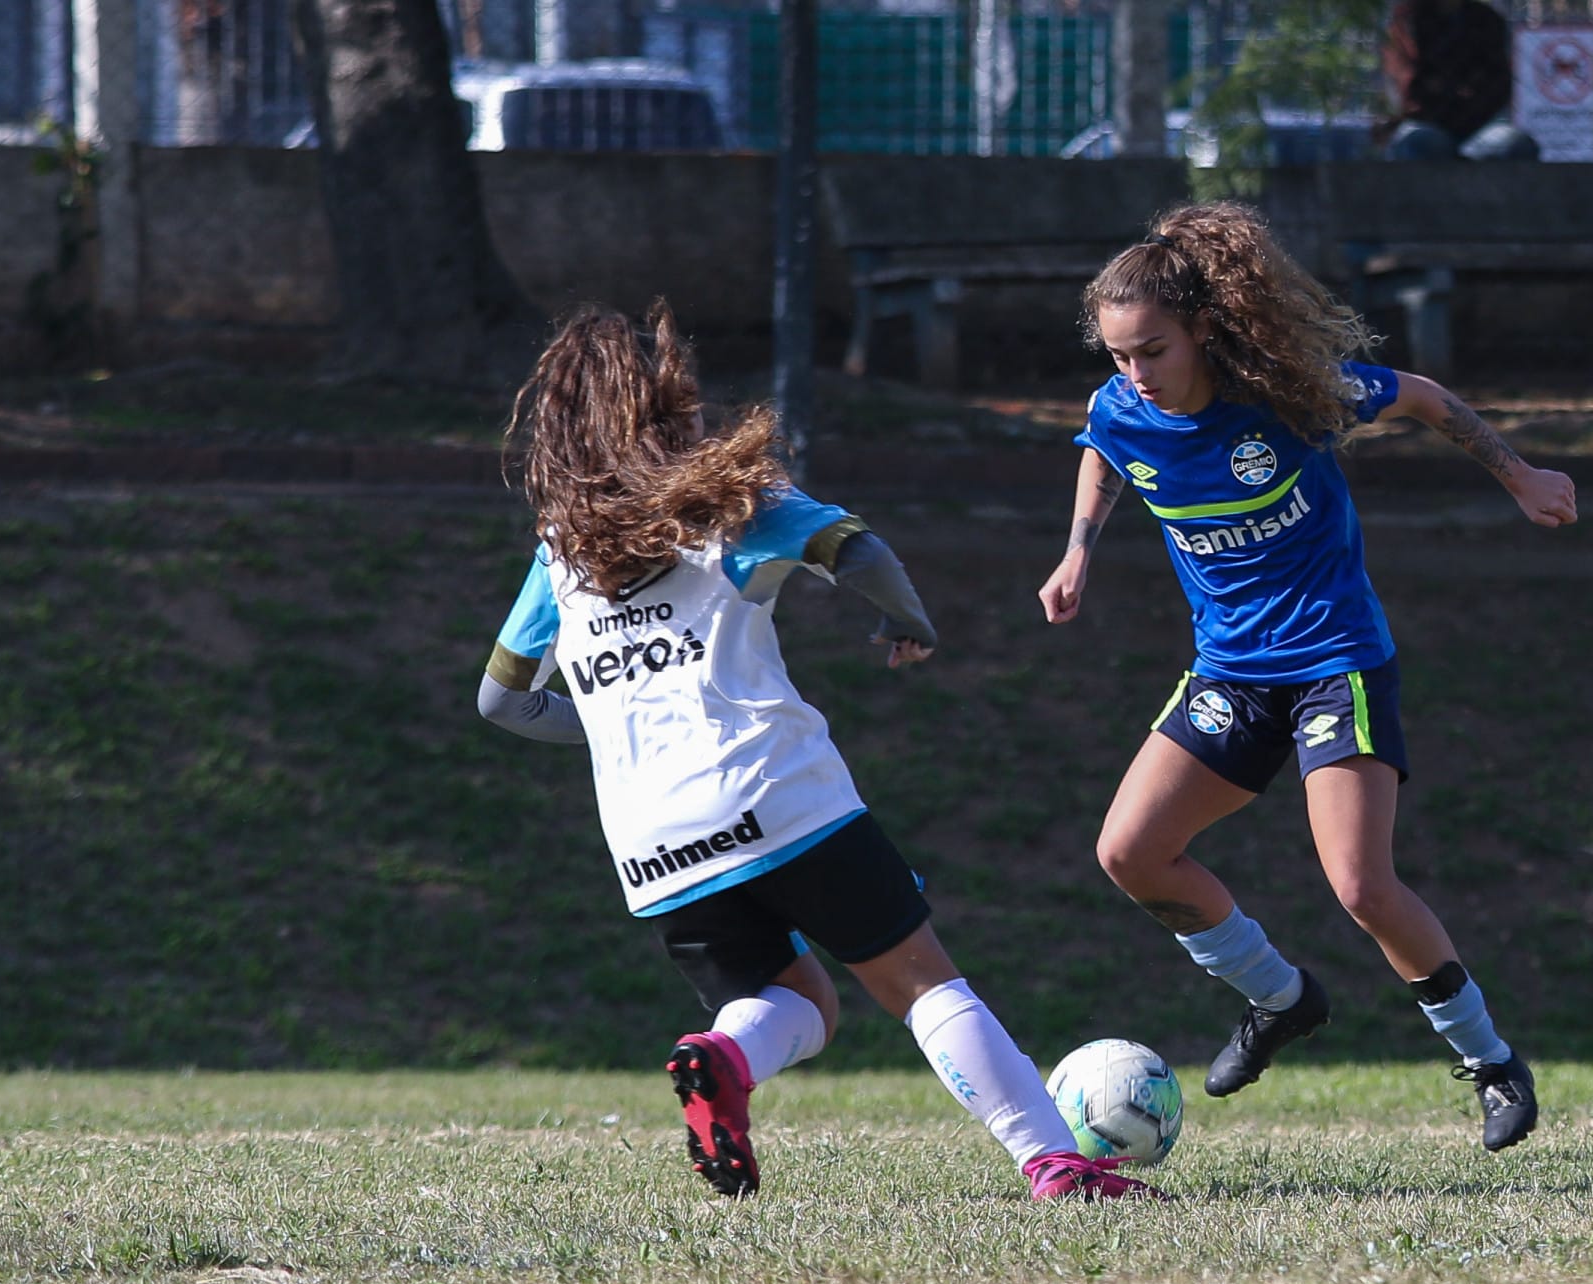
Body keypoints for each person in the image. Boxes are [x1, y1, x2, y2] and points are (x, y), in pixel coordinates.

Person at [478, 302, 1162, 1201]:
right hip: (777, 791)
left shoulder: (561, 553)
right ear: (667, 403)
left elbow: (503, 699)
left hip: (651, 842)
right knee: (920, 982)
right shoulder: (721, 501)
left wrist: (615, 733)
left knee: (803, 999)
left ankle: (722, 1054)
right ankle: (1054, 1162)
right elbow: (857, 549)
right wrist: (905, 622)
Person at [1038, 202, 1576, 1151]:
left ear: (1201, 329)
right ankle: (1281, 1000)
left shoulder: (1287, 396)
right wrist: (1079, 549)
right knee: (1130, 852)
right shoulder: (1124, 406)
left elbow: (1419, 394)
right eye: (1119, 354)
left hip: (1336, 663)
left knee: (1363, 885)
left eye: (1152, 350)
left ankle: (1492, 1062)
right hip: (1232, 673)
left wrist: (1521, 473)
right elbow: (1101, 449)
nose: (1135, 373)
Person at [1380, 0, 1540, 162]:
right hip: (1426, 123)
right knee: (1418, 144)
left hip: (1478, 127)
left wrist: (1457, 94)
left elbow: (1497, 84)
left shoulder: (1485, 19)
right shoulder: (1408, 19)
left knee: (1517, 146)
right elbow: (1408, 85)